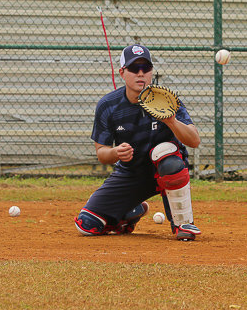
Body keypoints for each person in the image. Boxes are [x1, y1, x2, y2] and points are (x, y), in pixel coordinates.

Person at [75, 44, 202, 241]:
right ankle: (129, 213)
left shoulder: (165, 100)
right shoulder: (108, 105)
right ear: (122, 73)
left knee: (165, 152)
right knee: (87, 224)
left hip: (166, 169)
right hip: (131, 173)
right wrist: (116, 152)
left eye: (146, 68)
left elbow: (194, 140)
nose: (140, 73)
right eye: (134, 68)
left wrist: (171, 121)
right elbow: (101, 153)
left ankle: (183, 223)